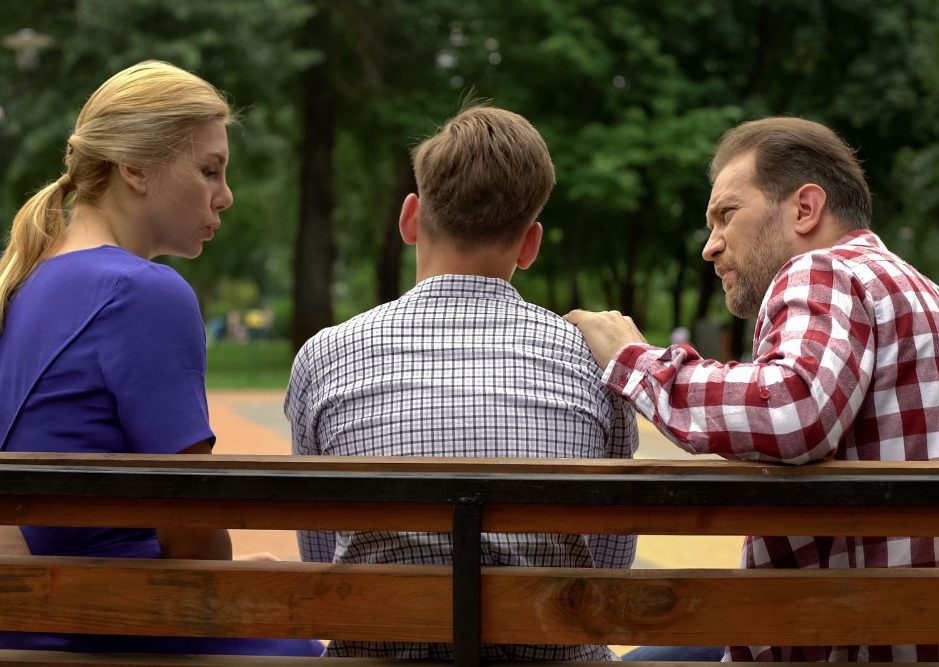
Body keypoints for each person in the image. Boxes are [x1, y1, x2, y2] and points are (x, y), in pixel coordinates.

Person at [566, 116, 939, 662]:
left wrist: (636, 361)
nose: (710, 246)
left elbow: (791, 409)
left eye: (726, 214)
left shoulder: (823, 270)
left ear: (804, 208)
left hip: (832, 640)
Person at [286, 105, 639, 661]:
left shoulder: (325, 355)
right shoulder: (591, 361)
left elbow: (320, 551)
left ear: (410, 218)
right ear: (530, 244)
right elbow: (608, 559)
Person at [0, 60, 321, 657]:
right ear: (134, 168)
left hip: (34, 610)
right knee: (300, 644)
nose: (225, 196)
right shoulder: (143, 291)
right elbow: (193, 528)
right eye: (209, 170)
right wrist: (239, 577)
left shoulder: (23, 282)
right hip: (114, 621)